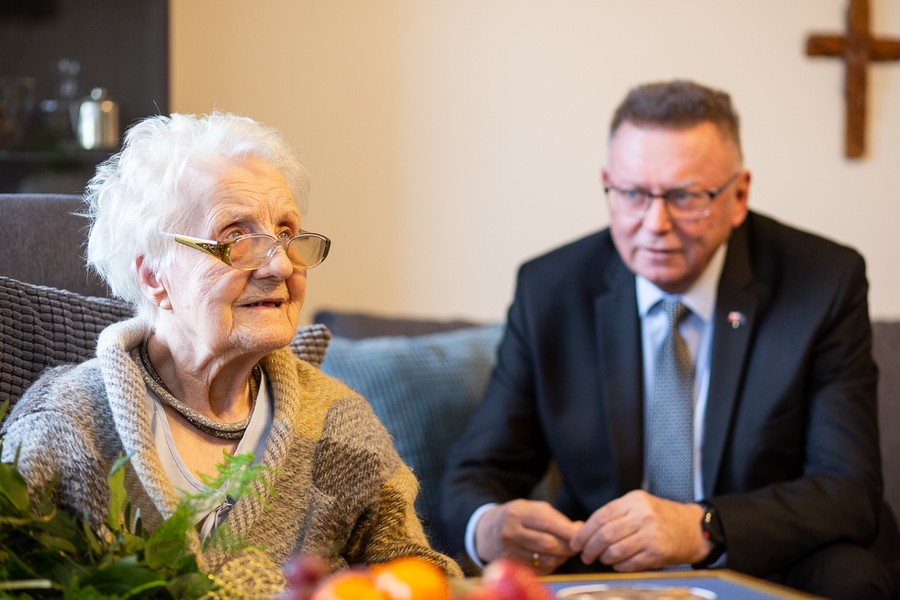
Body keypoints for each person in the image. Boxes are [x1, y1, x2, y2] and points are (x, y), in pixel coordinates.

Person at [439, 80, 895, 599]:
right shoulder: (550, 289)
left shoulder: (822, 282)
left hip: (769, 559)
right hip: (607, 568)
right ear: (608, 185)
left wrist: (702, 527)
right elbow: (475, 473)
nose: (655, 224)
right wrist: (490, 525)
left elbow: (848, 489)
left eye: (685, 196)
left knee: (850, 576)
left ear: (738, 194)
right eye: (633, 194)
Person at [1, 112, 462, 594]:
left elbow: (425, 579)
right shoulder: (64, 424)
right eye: (237, 238)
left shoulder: (337, 426)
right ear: (154, 277)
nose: (281, 264)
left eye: (286, 234)